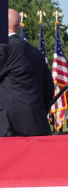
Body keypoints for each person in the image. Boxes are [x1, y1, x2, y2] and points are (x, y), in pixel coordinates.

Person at [0, 9, 54, 137]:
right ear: (18, 26)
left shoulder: (3, 48)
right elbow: (49, 89)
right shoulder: (36, 53)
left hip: (9, 127)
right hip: (37, 125)